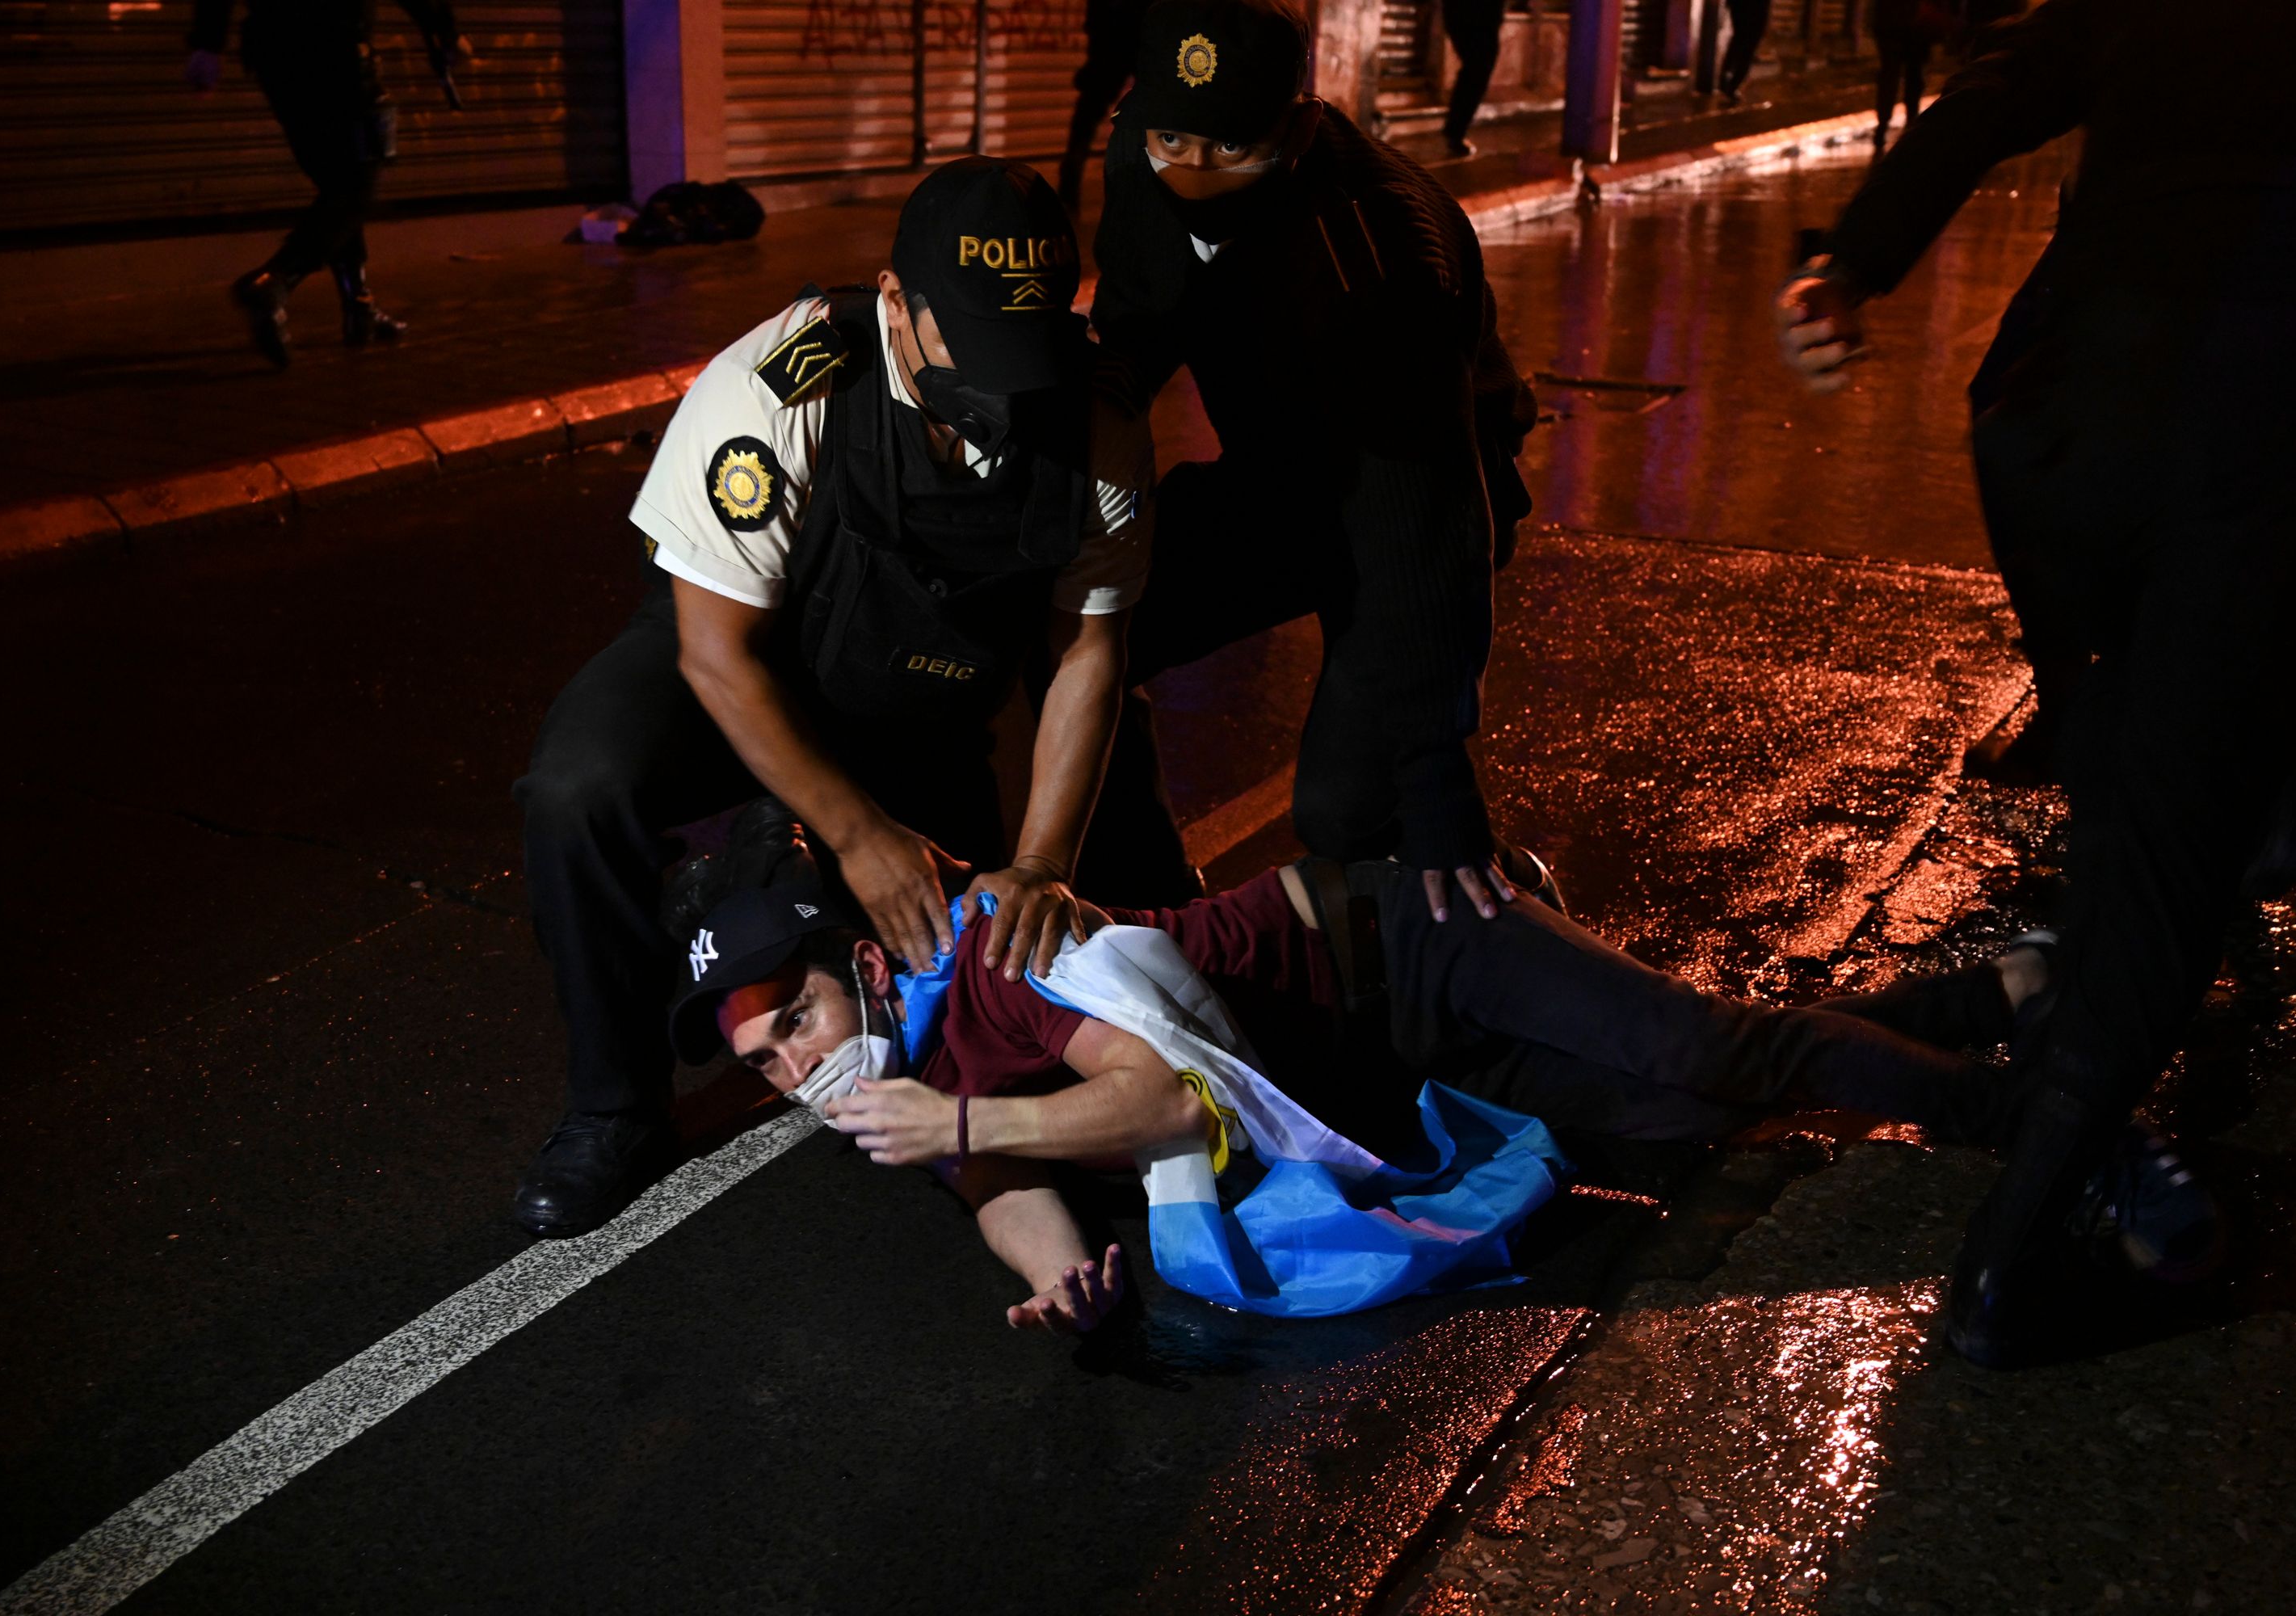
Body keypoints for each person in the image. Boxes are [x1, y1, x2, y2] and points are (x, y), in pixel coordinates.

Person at [1774, 0, 2296, 1366]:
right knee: (2165, 867)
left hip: (2056, 434)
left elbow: (1981, 104)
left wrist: (1846, 268)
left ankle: (2080, 944)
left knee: (2134, 777)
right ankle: (2013, 1267)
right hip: (2255, 449)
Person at [509, 158, 1155, 1238]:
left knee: (966, 1018)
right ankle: (614, 1107)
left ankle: (758, 863)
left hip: (913, 701)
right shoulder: (783, 382)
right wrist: (854, 833)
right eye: (970, 347)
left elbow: (1086, 652)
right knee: (577, 790)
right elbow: (716, 655)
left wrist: (1042, 866)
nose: (998, 385)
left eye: (1022, 347)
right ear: (897, 304)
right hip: (739, 662)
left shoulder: (1096, 421)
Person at [665, 859, 2101, 1330]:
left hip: (1410, 933)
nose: (797, 1068)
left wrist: (968, 1125)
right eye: (765, 1066)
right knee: (1696, 1108)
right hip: (1401, 1062)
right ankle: (1988, 1002)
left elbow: (1167, 1106)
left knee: (1711, 1056)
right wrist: (1063, 1289)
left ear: (858, 964)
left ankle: (2053, 1128)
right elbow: (997, 1192)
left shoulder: (985, 973)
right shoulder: (904, 1085)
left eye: (795, 1019)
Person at [1085, 0, 1542, 925]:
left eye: (1227, 150)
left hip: (1420, 483)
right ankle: (1160, 922)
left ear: (1297, 128)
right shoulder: (1147, 151)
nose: (1194, 175)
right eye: (1175, 137)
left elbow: (1427, 526)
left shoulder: (1378, 258)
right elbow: (1141, 314)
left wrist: (1436, 771)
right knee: (1078, 639)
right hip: (1278, 477)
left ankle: (1505, 912)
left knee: (1346, 810)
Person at [185, 0, 462, 366]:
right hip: (338, 50)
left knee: (337, 183)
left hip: (277, 58)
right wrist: (445, 30)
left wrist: (207, 45)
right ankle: (276, 281)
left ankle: (359, 304)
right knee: (357, 185)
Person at [1059, 0, 1151, 219]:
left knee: (1086, 125)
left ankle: (1069, 190)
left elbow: (1094, 23)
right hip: (1116, 56)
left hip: (1110, 56)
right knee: (1091, 125)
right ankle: (1070, 189)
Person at [1867, 0, 1948, 153]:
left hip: (1893, 25)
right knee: (1913, 77)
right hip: (1913, 26)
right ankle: (1909, 124)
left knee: (1891, 76)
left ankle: (1884, 125)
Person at [1440, 0, 1507, 158]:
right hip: (1478, 18)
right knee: (1477, 70)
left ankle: (1455, 129)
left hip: (1466, 15)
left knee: (1474, 70)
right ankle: (1456, 130)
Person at [1716, 0, 1772, 105]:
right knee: (1747, 49)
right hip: (1755, 10)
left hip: (1740, 7)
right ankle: (1732, 85)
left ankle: (1726, 80)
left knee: (1738, 41)